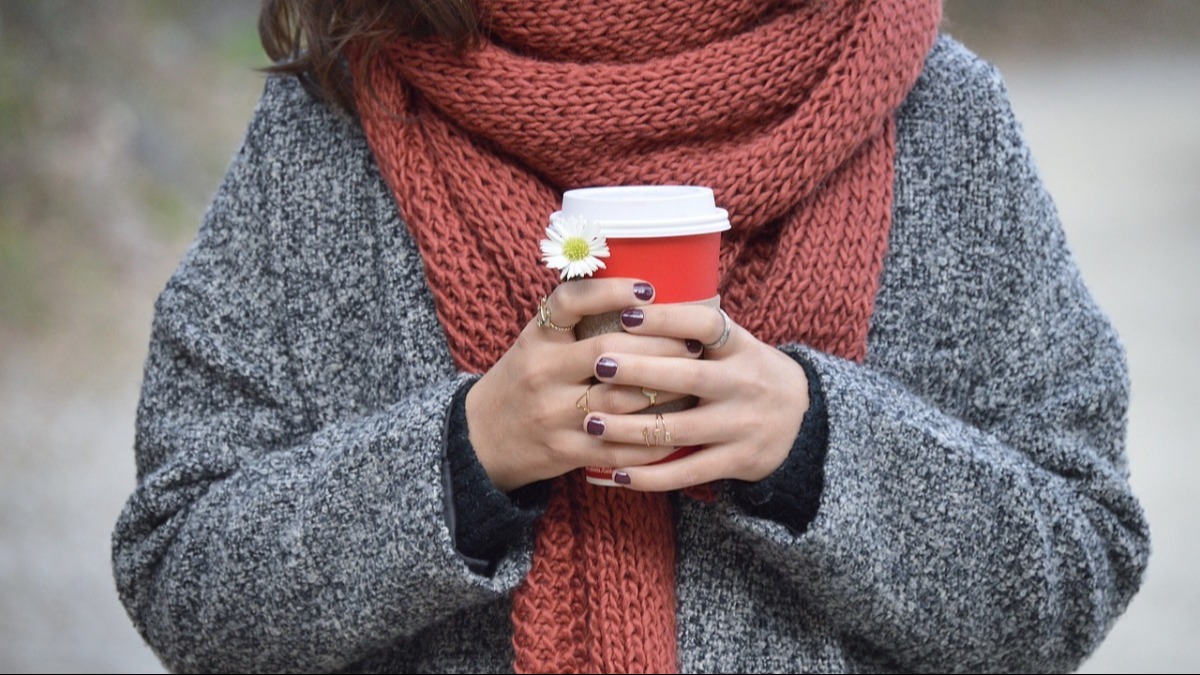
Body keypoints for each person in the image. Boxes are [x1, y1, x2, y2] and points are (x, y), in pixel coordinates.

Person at [111, 0, 1150, 672]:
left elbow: (1077, 566)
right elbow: (183, 581)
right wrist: (463, 458)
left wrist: (819, 448)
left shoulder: (937, 115)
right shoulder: (331, 128)